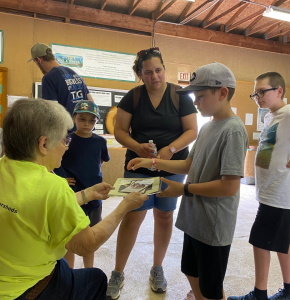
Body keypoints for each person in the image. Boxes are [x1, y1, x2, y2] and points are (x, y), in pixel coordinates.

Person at [0, 99, 148, 300]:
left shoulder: (4, 166)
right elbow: (87, 244)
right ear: (43, 144)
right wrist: (124, 205)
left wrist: (86, 194)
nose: (66, 147)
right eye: (63, 141)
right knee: (96, 278)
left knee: (62, 262)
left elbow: (38, 204)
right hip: (24, 289)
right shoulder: (53, 186)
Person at [127, 62, 248, 300]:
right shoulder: (208, 127)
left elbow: (230, 186)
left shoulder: (233, 130)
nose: (195, 103)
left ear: (222, 93)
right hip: (195, 219)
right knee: (191, 271)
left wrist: (183, 189)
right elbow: (188, 165)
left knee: (212, 287)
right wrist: (151, 163)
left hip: (213, 226)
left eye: (200, 96)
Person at [106, 47, 198, 299]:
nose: (155, 76)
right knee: (132, 216)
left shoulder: (181, 96)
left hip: (172, 166)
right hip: (139, 165)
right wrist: (138, 148)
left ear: (164, 69)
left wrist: (171, 148)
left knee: (164, 216)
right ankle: (118, 272)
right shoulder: (133, 97)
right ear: (140, 74)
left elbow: (192, 131)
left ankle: (157, 268)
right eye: (148, 72)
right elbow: (120, 131)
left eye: (159, 70)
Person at [228, 72, 290, 300]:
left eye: (262, 92)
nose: (257, 96)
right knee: (281, 243)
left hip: (280, 193)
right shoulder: (271, 115)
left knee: (259, 242)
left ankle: (259, 295)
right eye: (255, 93)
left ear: (279, 91)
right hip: (270, 192)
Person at [61, 100, 110, 269]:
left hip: (95, 197)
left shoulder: (100, 142)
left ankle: (89, 271)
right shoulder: (67, 140)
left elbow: (101, 160)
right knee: (71, 237)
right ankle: (70, 274)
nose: (87, 124)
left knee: (90, 237)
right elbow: (57, 161)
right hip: (73, 195)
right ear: (74, 118)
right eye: (82, 119)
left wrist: (91, 175)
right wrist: (62, 178)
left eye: (91, 120)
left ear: (96, 122)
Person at [28, 43, 94, 116]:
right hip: (83, 126)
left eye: (35, 62)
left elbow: (51, 111)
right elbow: (91, 103)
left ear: (39, 60)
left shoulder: (49, 78)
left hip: (65, 127)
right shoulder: (74, 74)